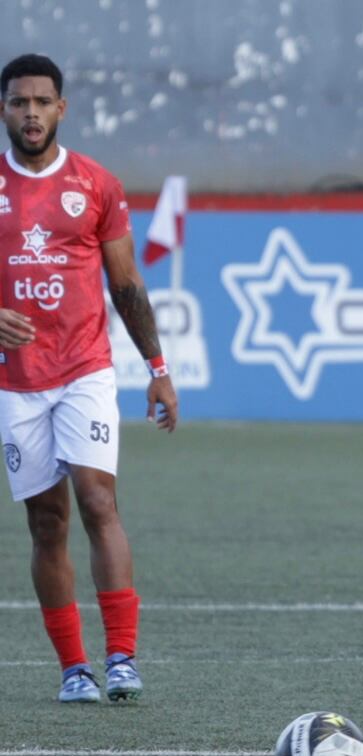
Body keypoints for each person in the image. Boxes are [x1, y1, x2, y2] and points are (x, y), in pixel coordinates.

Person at [0, 54, 178, 704]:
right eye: (19, 102)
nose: (31, 113)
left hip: (85, 371)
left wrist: (157, 370)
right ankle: (74, 667)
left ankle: (122, 657)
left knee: (98, 499)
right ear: (4, 109)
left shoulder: (95, 183)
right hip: (15, 383)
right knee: (47, 523)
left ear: (61, 109)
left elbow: (126, 285)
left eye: (42, 102)